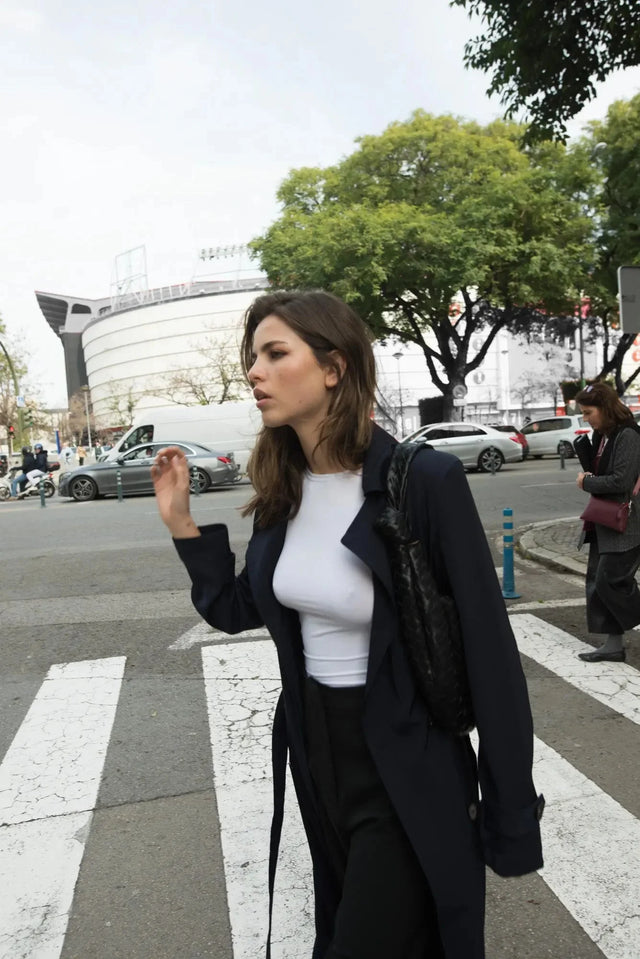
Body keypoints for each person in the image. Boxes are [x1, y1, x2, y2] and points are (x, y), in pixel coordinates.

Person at [152, 291, 544, 959]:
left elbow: (490, 653)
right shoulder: (286, 490)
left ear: (334, 368)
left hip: (407, 762)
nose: (255, 371)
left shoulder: (424, 482)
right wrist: (183, 526)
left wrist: (510, 817)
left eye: (276, 354)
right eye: (253, 357)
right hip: (318, 755)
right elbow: (239, 606)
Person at [575, 381, 640, 662]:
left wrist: (587, 482)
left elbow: (621, 481)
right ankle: (614, 646)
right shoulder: (603, 434)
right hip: (605, 519)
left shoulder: (627, 435)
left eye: (588, 412)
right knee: (596, 581)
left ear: (605, 408)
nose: (585, 419)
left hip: (628, 520)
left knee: (609, 581)